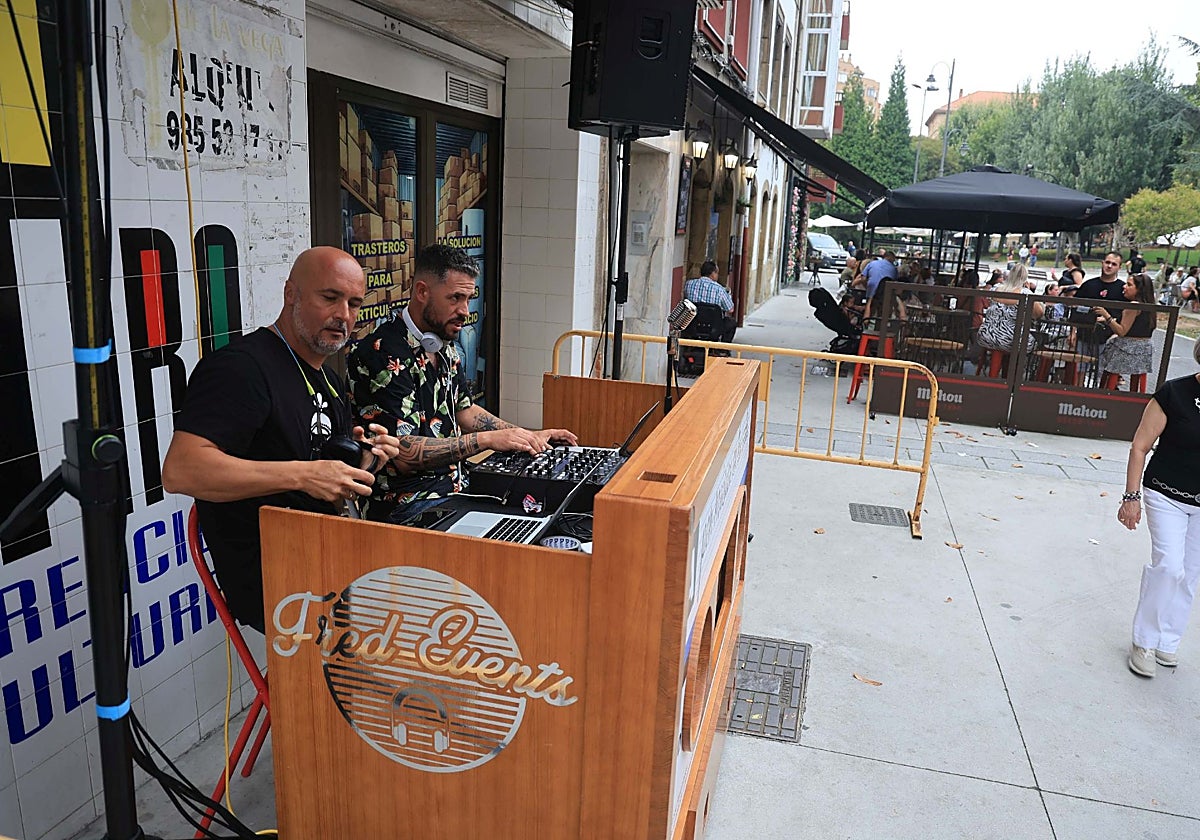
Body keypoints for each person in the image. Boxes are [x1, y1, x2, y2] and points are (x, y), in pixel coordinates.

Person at [161, 247, 401, 632]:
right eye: (330, 298)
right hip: (284, 588)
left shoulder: (328, 379)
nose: (343, 315)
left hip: (334, 561)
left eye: (354, 304)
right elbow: (181, 471)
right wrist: (303, 475)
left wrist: (368, 457)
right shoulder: (240, 368)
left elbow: (326, 477)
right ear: (291, 293)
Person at [348, 244, 578, 524]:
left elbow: (465, 411)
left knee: (550, 514)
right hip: (407, 507)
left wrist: (524, 435)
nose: (465, 311)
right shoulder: (380, 354)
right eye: (455, 298)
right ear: (422, 292)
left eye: (468, 299)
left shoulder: (441, 340)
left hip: (457, 488)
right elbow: (403, 452)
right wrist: (487, 440)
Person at [1118, 336, 1200, 678]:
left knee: (1190, 575)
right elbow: (1140, 446)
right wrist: (1131, 498)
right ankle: (1145, 641)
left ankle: (1168, 638)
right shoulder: (1173, 393)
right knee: (1168, 567)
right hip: (1166, 494)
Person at [1094, 272, 1156, 388]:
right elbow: (1136, 325)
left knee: (1106, 355)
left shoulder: (1133, 306)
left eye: (1129, 284)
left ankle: (1107, 388)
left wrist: (1106, 315)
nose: (1124, 286)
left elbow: (1122, 331)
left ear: (1139, 290)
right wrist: (1111, 320)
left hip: (1126, 349)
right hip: (1145, 350)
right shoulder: (1150, 305)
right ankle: (1134, 393)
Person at [977, 263, 1045, 360]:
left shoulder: (996, 288)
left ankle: (1003, 364)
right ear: (1025, 278)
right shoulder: (1025, 293)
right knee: (1034, 343)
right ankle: (1014, 367)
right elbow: (1039, 313)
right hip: (1010, 339)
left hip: (985, 335)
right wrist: (1028, 290)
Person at [683, 260, 738, 343]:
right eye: (717, 273)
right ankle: (723, 348)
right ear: (712, 273)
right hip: (714, 327)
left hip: (693, 324)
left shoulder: (689, 284)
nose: (717, 275)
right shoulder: (719, 289)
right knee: (731, 323)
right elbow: (730, 309)